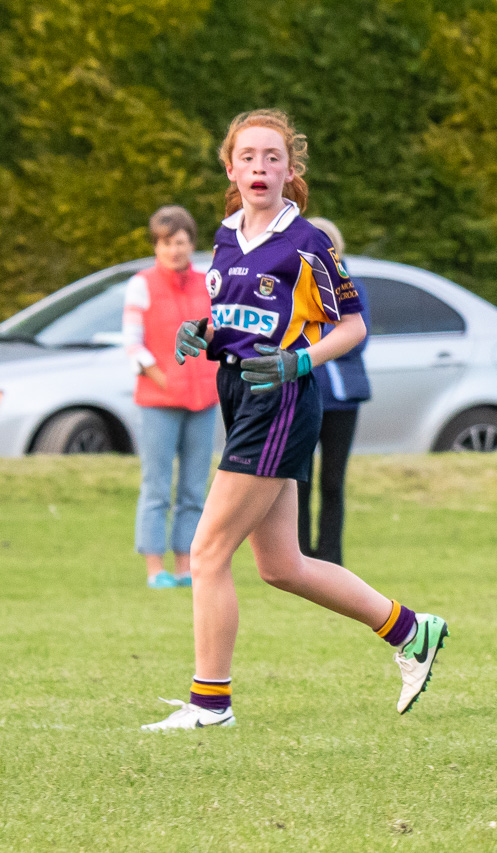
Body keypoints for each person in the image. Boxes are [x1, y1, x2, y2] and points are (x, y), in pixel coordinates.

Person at [142, 109, 447, 731]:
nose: (260, 167)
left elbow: (353, 326)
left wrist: (296, 362)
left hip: (278, 402)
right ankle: (410, 630)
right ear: (230, 168)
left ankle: (211, 704)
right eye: (248, 157)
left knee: (206, 552)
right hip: (242, 397)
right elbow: (239, 318)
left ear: (289, 170)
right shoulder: (227, 238)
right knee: (281, 566)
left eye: (272, 157)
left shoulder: (306, 241)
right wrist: (203, 331)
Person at [122, 206, 220, 589]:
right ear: (156, 246)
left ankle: (185, 566)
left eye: (180, 242)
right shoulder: (141, 284)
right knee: (157, 485)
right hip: (159, 399)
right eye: (165, 243)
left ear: (190, 244)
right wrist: (160, 376)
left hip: (204, 399)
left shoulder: (206, 283)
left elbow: (219, 332)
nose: (173, 250)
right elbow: (132, 344)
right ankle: (154, 568)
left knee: (195, 487)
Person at [296, 217, 372, 567]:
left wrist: (317, 346)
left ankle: (331, 556)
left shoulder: (349, 286)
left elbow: (357, 337)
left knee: (332, 481)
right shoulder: (293, 286)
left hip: (341, 401)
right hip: (301, 398)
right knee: (299, 479)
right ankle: (299, 555)